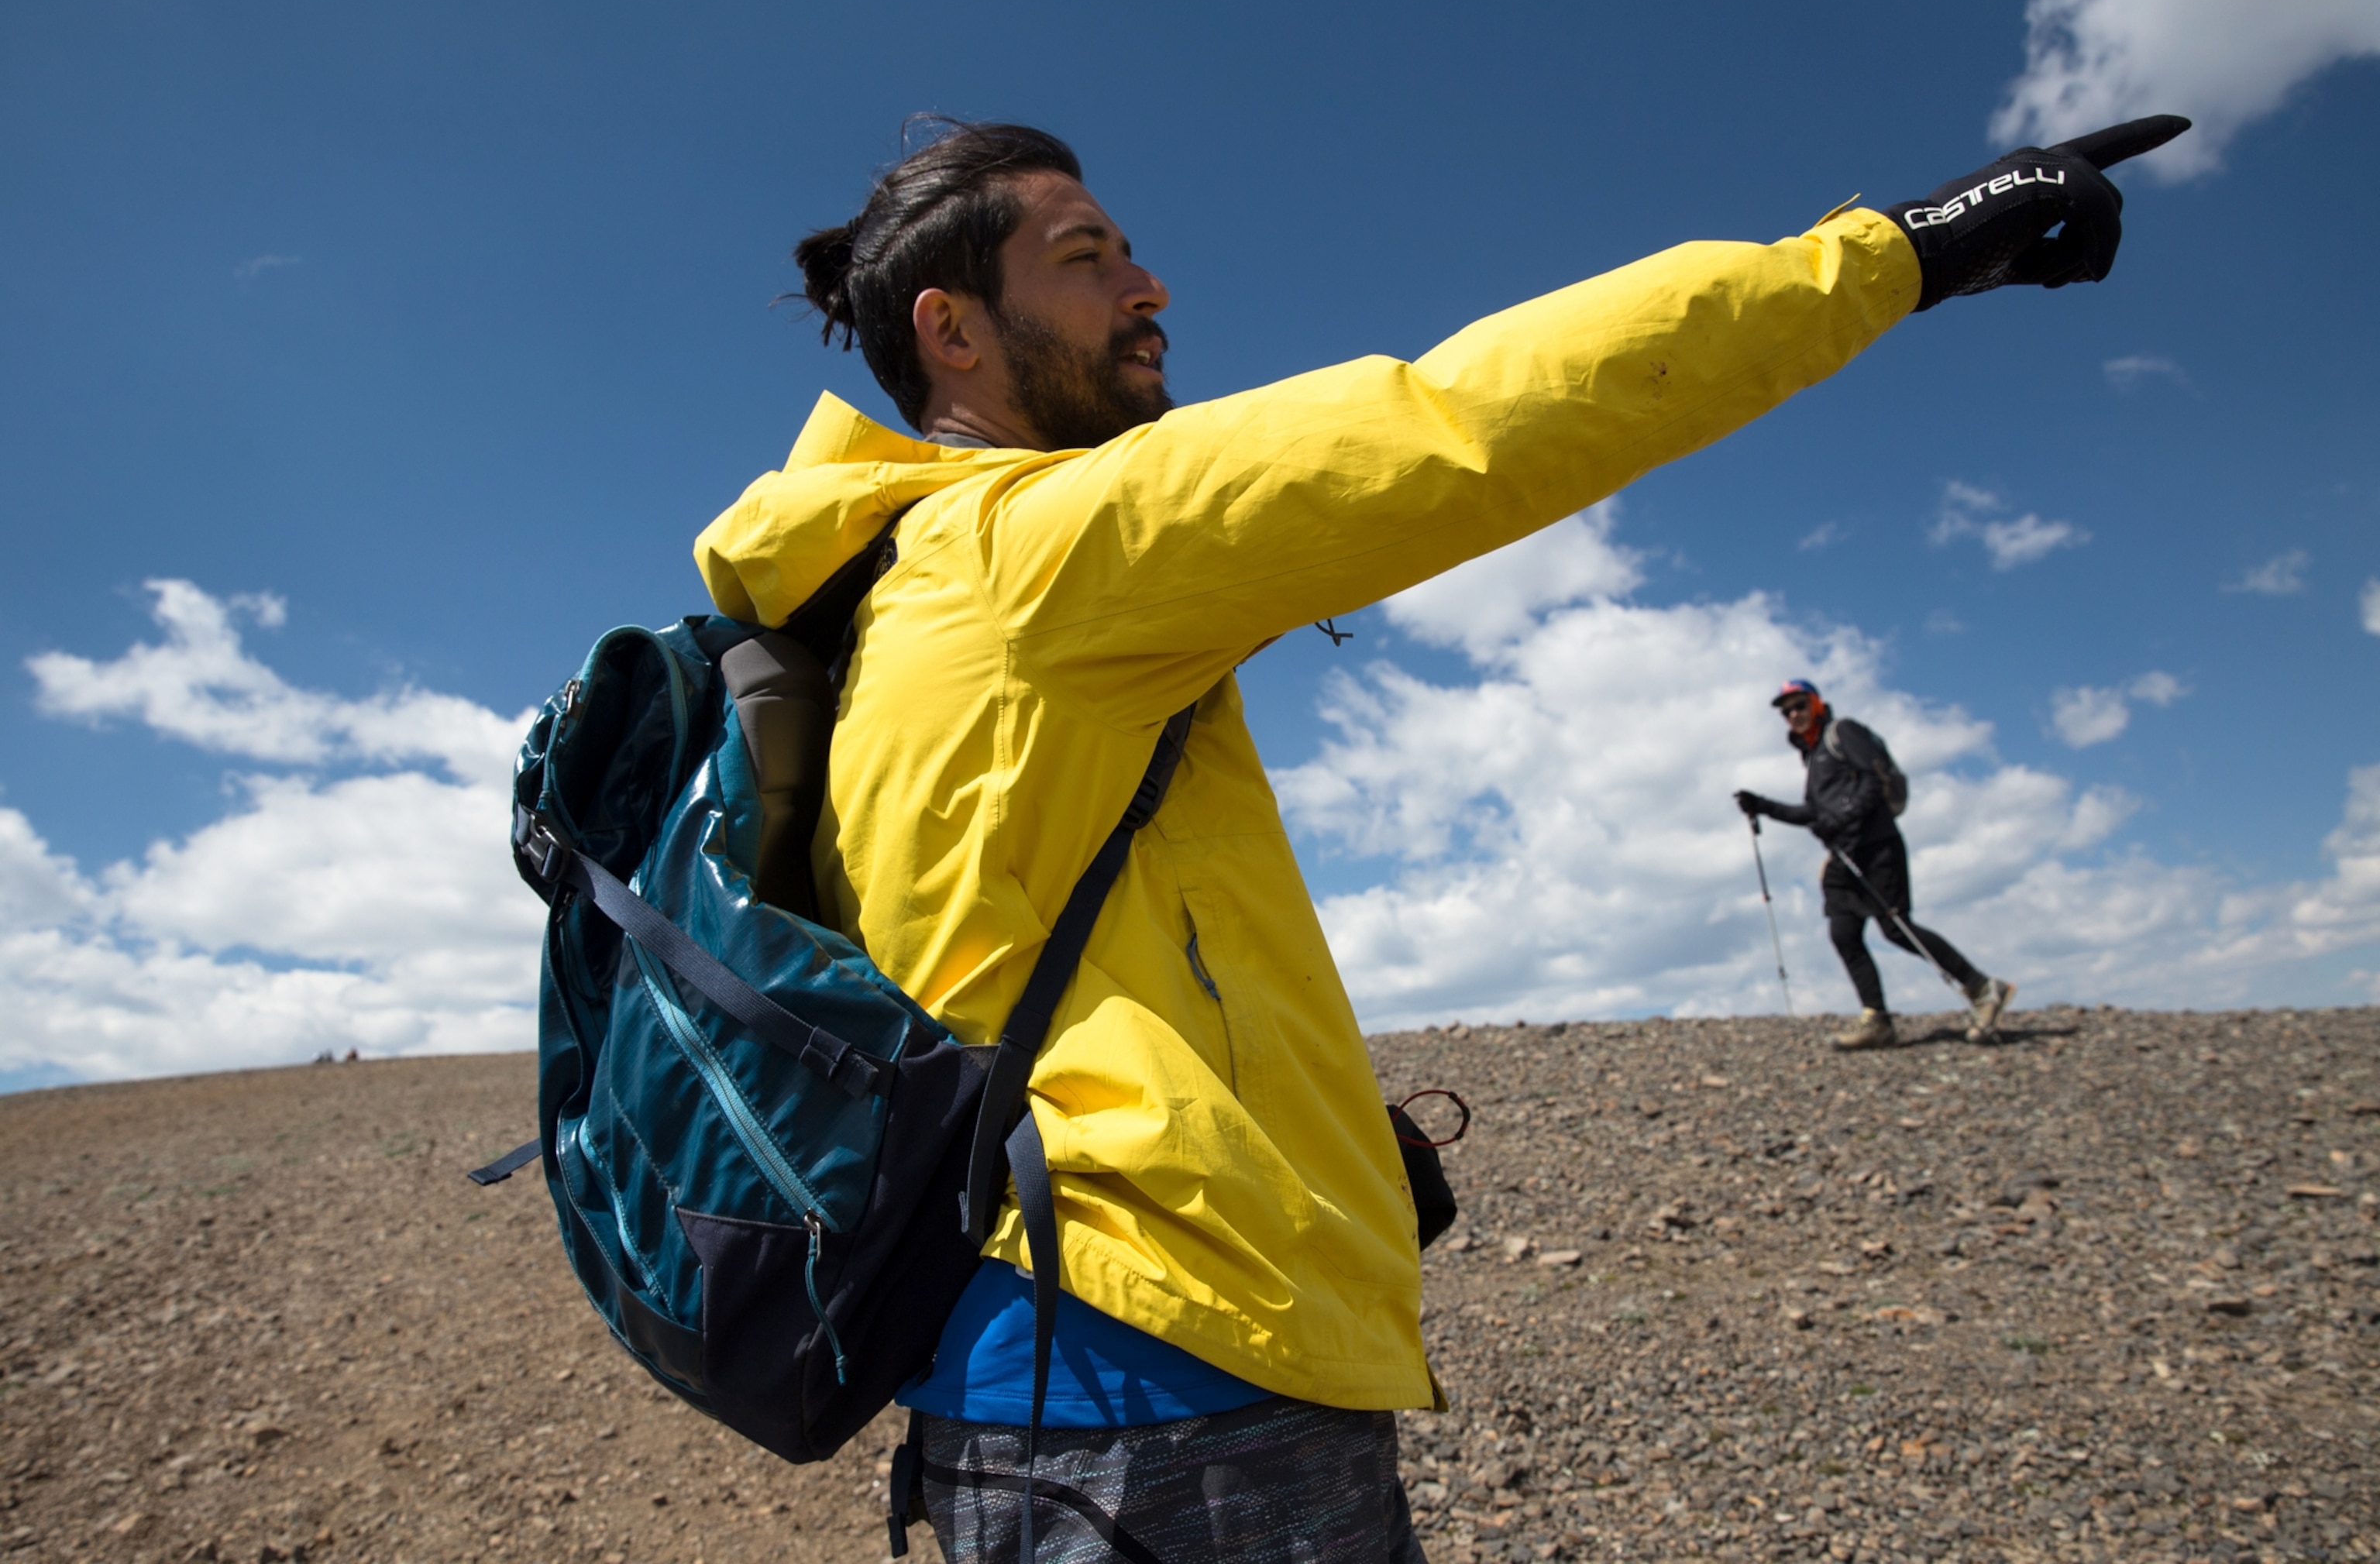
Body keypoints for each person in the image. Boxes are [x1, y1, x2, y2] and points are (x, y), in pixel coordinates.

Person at [693, 115, 2151, 1559]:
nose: (1151, 288)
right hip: (1169, 1387)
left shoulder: (886, 595)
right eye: (1088, 258)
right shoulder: (1032, 549)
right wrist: (1899, 251)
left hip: (1043, 1376)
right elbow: (1455, 420)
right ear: (953, 330)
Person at [1735, 682, 2014, 1050]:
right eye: (1785, 712)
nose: (1793, 715)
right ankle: (1877, 1020)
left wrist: (1845, 819)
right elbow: (1815, 813)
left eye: (1799, 706)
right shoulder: (1814, 754)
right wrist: (1763, 806)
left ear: (1815, 704)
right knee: (1844, 933)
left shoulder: (1843, 733)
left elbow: (1873, 779)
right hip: (1843, 855)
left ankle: (1981, 986)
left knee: (1897, 928)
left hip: (1877, 846)